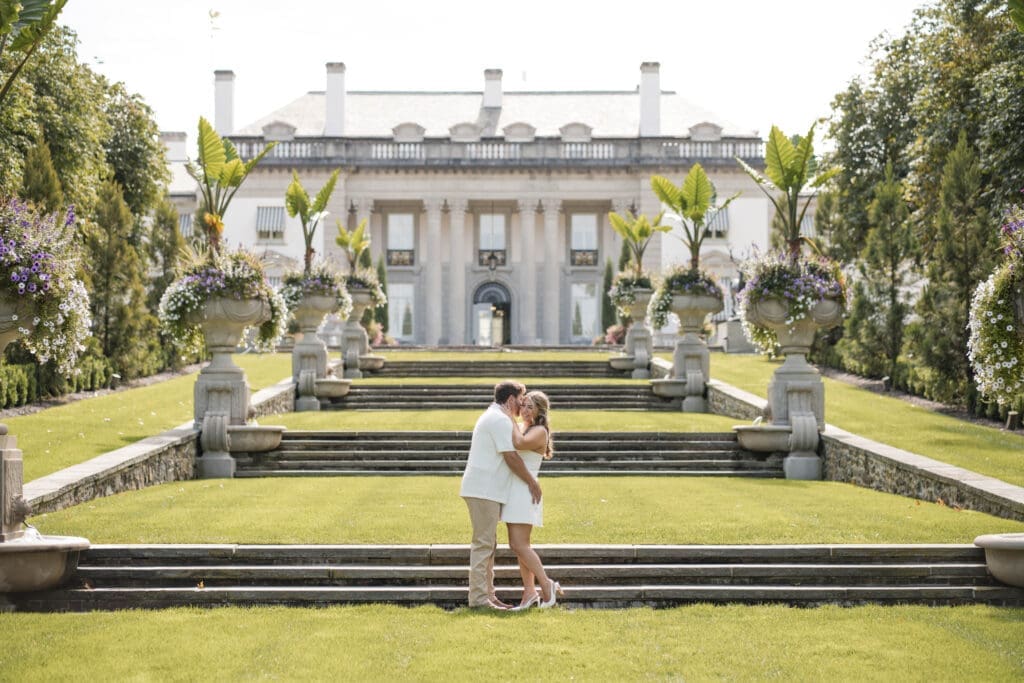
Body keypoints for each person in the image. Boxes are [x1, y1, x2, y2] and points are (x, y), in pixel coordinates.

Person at [459, 380, 540, 609]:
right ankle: (478, 599)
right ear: (511, 398)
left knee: (488, 545)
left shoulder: (498, 417)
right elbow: (511, 457)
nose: (523, 403)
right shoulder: (498, 419)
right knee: (483, 545)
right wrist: (531, 482)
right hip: (483, 490)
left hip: (485, 489)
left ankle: (488, 595)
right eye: (521, 398)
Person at [502, 390, 563, 610]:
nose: (525, 410)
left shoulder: (538, 431)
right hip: (514, 489)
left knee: (519, 544)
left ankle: (546, 585)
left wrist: (507, 415)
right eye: (524, 405)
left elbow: (517, 444)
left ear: (539, 411)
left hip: (525, 490)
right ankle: (529, 592)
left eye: (530, 406)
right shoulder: (523, 427)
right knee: (519, 545)